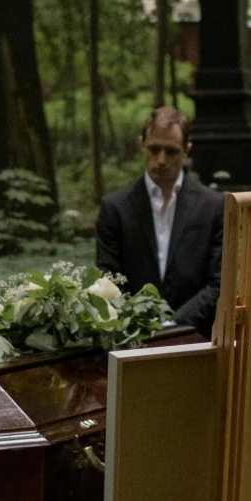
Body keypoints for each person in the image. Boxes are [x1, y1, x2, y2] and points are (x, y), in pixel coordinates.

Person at [94, 107, 224, 335]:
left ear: (186, 151)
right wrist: (140, 325)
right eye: (154, 149)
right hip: (132, 339)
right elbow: (109, 280)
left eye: (171, 151)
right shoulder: (116, 208)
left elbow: (220, 281)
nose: (161, 160)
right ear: (141, 146)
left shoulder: (213, 206)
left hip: (196, 338)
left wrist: (174, 325)